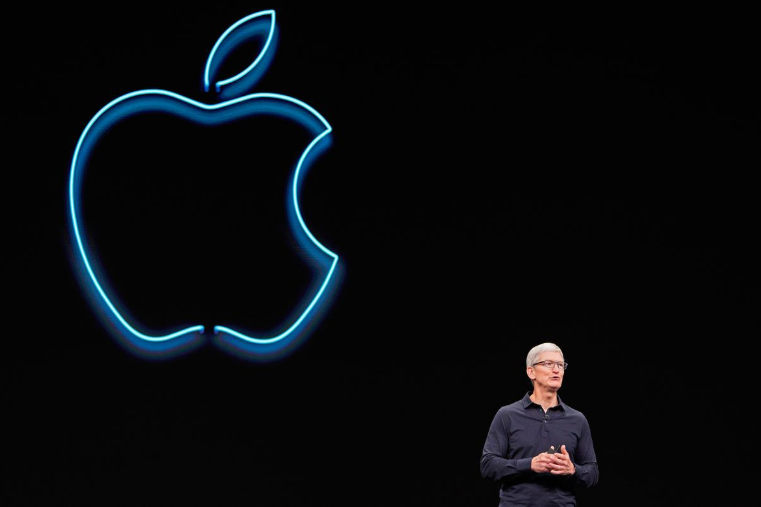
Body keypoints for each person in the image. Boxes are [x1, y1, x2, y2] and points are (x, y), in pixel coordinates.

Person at [480, 342, 598, 506]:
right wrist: (529, 464)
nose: (556, 370)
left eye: (560, 365)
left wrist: (573, 470)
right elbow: (488, 465)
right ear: (531, 371)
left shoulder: (577, 419)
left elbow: (592, 473)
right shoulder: (507, 415)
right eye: (548, 364)